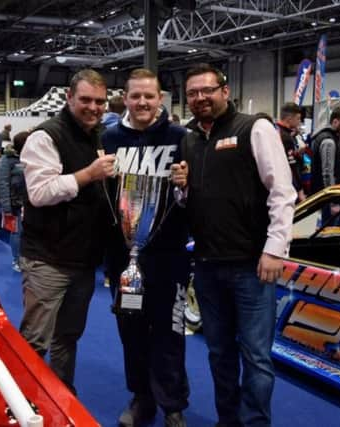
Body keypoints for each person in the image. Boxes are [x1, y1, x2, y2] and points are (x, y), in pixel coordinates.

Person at [172, 63, 296, 427]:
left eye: (207, 90)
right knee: (218, 353)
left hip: (251, 266)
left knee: (256, 357)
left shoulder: (254, 127)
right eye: (192, 93)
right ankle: (228, 421)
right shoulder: (190, 138)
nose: (200, 98)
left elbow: (282, 192)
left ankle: (255, 423)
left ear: (225, 91)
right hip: (208, 265)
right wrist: (181, 187)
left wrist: (275, 249)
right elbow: (191, 202)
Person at [18, 68, 116, 392]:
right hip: (47, 259)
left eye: (100, 101)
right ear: (70, 98)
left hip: (84, 260)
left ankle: (61, 397)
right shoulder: (45, 136)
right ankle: (22, 403)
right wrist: (87, 174)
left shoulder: (99, 135)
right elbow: (40, 192)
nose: (94, 107)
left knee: (68, 337)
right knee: (34, 341)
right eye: (86, 100)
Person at [102, 68, 190, 427]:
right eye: (135, 95)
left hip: (169, 256)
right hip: (123, 259)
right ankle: (141, 397)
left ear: (160, 99)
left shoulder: (180, 137)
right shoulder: (108, 139)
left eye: (149, 96)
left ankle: (172, 404)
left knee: (170, 331)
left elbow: (195, 197)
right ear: (125, 97)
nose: (142, 102)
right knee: (132, 331)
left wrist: (187, 185)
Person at [309, 106, 340, 226]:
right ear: (335, 122)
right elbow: (327, 173)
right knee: (331, 237)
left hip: (335, 197)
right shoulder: (328, 141)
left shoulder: (332, 138)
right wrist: (333, 201)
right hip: (331, 200)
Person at [0, 131, 29, 272]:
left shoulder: (32, 157)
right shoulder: (7, 160)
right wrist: (6, 207)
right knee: (16, 232)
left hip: (32, 202)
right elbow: (3, 183)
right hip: (15, 203)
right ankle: (17, 260)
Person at [277, 102, 306, 202]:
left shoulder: (276, 131)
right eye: (298, 118)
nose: (300, 122)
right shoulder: (285, 137)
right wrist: (300, 190)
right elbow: (292, 167)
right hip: (286, 187)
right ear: (289, 119)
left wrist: (296, 153)